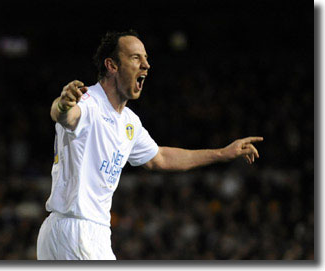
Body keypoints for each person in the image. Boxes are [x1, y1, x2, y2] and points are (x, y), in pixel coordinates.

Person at [36, 29, 263, 260]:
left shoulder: (129, 122)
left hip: (63, 231)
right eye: (136, 58)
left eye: (146, 58)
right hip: (80, 232)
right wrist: (63, 104)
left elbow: (160, 158)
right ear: (112, 65)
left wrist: (222, 153)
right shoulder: (89, 102)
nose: (146, 65)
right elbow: (64, 115)